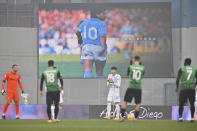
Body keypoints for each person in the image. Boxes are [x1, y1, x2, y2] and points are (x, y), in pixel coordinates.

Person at [76, 9, 107, 78]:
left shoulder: (84, 23)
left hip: (87, 47)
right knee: (99, 72)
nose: (105, 15)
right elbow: (102, 36)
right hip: (98, 47)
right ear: (97, 14)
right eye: (103, 13)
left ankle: (87, 87)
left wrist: (80, 44)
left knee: (87, 70)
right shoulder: (102, 24)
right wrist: (103, 47)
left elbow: (78, 33)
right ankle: (98, 87)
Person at [120, 56, 145, 122]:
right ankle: (135, 118)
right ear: (139, 60)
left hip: (131, 87)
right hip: (138, 88)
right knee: (138, 103)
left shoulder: (130, 67)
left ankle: (122, 117)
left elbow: (128, 74)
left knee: (125, 101)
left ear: (134, 60)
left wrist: (131, 63)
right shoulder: (142, 68)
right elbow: (142, 76)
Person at [176, 58, 197, 123]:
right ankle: (192, 118)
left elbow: (178, 79)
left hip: (184, 88)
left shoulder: (182, 69)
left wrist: (177, 87)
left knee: (181, 103)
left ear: (185, 62)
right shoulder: (194, 69)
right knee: (192, 104)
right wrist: (194, 85)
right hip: (191, 89)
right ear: (190, 63)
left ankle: (180, 118)